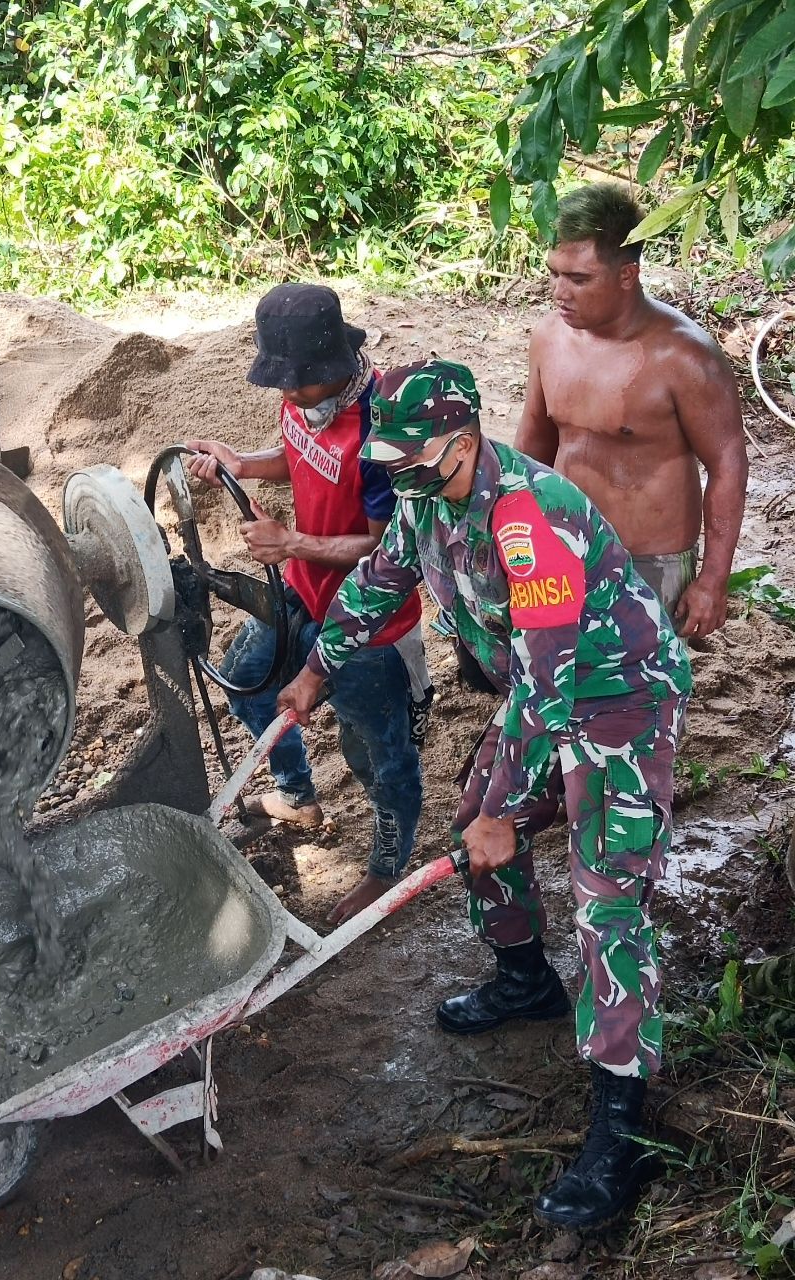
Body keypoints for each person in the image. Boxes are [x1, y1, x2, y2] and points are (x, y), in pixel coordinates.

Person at [277, 359, 692, 1230]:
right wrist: (316, 671)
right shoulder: (426, 495)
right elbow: (377, 584)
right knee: (473, 831)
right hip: (545, 697)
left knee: (607, 903)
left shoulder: (525, 517)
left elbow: (547, 683)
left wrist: (510, 811)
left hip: (618, 696)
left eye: (415, 459)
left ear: (463, 443)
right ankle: (525, 981)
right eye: (391, 460)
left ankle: (623, 1125)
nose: (401, 476)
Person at [186, 283, 430, 925]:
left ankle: (385, 870)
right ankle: (298, 796)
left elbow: (386, 548)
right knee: (245, 682)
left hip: (371, 622)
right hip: (301, 589)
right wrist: (242, 464)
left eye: (298, 383)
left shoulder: (382, 431)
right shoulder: (305, 406)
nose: (286, 394)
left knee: (377, 753)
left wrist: (290, 540)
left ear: (334, 367)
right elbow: (299, 460)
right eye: (282, 382)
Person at [515, 182, 748, 638]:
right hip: (560, 544)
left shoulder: (684, 357)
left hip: (648, 563)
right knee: (562, 684)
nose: (559, 292)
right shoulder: (549, 337)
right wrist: (516, 525)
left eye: (579, 279)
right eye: (555, 273)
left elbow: (728, 465)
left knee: (641, 698)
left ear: (628, 275)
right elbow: (534, 440)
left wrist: (713, 580)